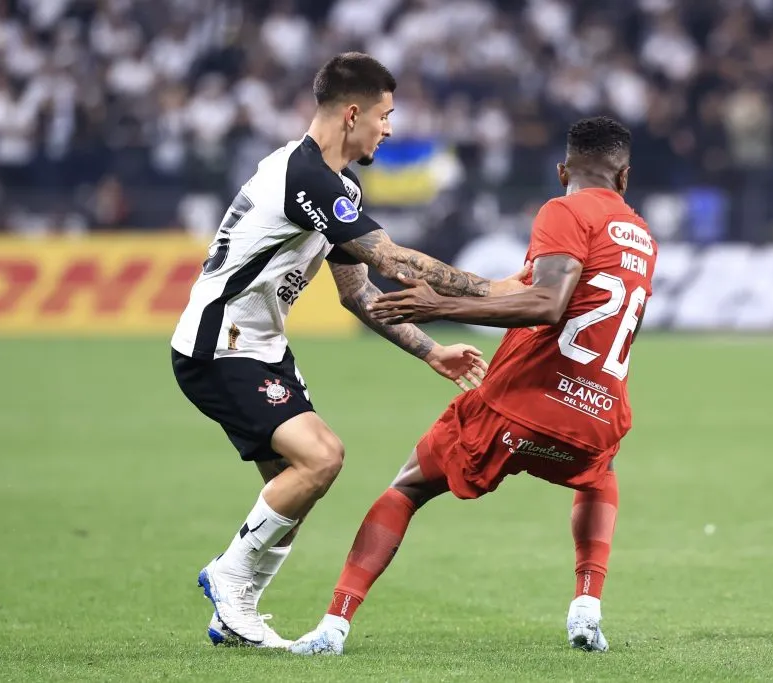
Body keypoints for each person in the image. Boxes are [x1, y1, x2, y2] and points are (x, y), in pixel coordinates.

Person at [170, 52, 526, 648]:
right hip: (218, 345)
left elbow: (358, 295)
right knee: (322, 458)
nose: (389, 129)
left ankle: (237, 613)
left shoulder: (338, 184)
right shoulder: (304, 175)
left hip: (258, 347)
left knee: (291, 479)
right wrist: (496, 289)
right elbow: (393, 260)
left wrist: (430, 352)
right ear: (353, 113)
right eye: (385, 116)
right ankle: (229, 581)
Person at [289, 116, 657, 655]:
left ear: (562, 172)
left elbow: (548, 303)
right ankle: (586, 609)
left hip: (519, 404)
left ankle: (333, 627)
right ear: (624, 178)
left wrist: (442, 309)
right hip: (596, 414)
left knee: (408, 486)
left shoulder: (563, 210)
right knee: (599, 477)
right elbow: (531, 292)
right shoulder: (642, 236)